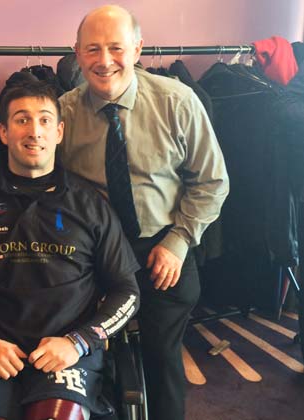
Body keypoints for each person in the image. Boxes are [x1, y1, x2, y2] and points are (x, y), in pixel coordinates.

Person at [59, 5, 229, 420]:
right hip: (92, 250)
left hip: (161, 246)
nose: (104, 61)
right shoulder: (61, 113)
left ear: (137, 48)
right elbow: (50, 196)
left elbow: (212, 182)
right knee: (80, 349)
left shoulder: (177, 101)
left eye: (116, 47)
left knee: (160, 353)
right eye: (93, 49)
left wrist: (179, 242)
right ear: (76, 53)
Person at [0, 79, 140, 420]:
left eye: (44, 120)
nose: (35, 131)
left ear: (59, 132)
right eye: (21, 120)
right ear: (3, 132)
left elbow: (127, 291)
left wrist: (79, 342)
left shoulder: (89, 204)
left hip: (66, 350)